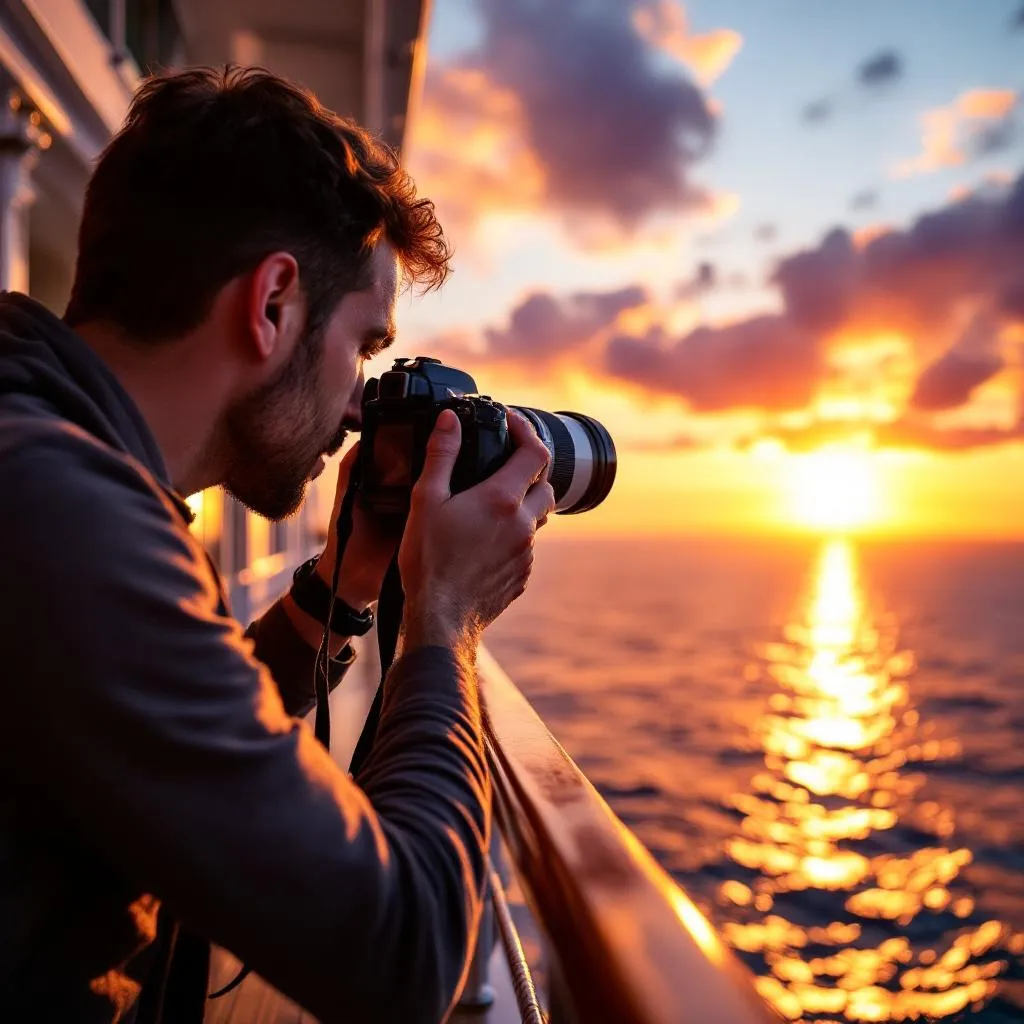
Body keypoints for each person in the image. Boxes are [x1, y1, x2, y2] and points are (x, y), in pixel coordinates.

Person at [0, 66, 554, 1023]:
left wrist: (340, 592)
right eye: (364, 346)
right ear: (272, 304)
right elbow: (405, 954)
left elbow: (159, 730)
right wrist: (446, 619)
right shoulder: (62, 514)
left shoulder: (50, 457)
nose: (356, 403)